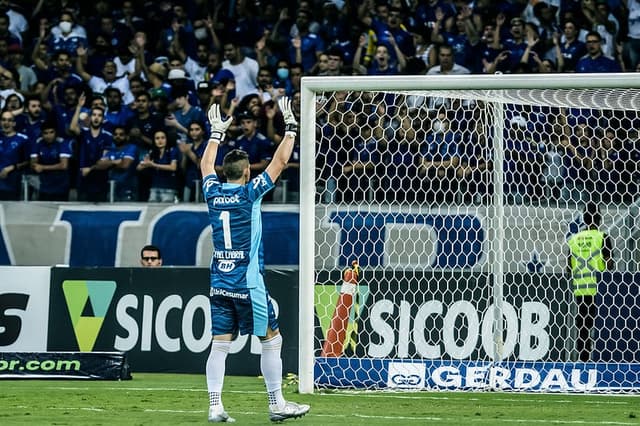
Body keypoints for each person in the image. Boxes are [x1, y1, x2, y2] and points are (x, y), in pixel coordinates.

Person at [201, 98, 309, 423]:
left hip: (219, 284)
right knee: (272, 340)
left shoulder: (212, 193)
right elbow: (279, 163)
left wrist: (215, 134)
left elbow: (206, 166)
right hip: (248, 285)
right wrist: (291, 128)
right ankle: (277, 404)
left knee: (219, 346)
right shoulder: (250, 194)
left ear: (226, 172)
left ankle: (215, 406)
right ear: (247, 172)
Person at [566, 203, 613, 362]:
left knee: (583, 325)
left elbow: (568, 268)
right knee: (601, 324)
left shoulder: (573, 240)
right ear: (600, 219)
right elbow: (610, 264)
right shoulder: (603, 238)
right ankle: (601, 358)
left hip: (580, 288)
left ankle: (583, 359)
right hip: (599, 288)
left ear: (584, 220)